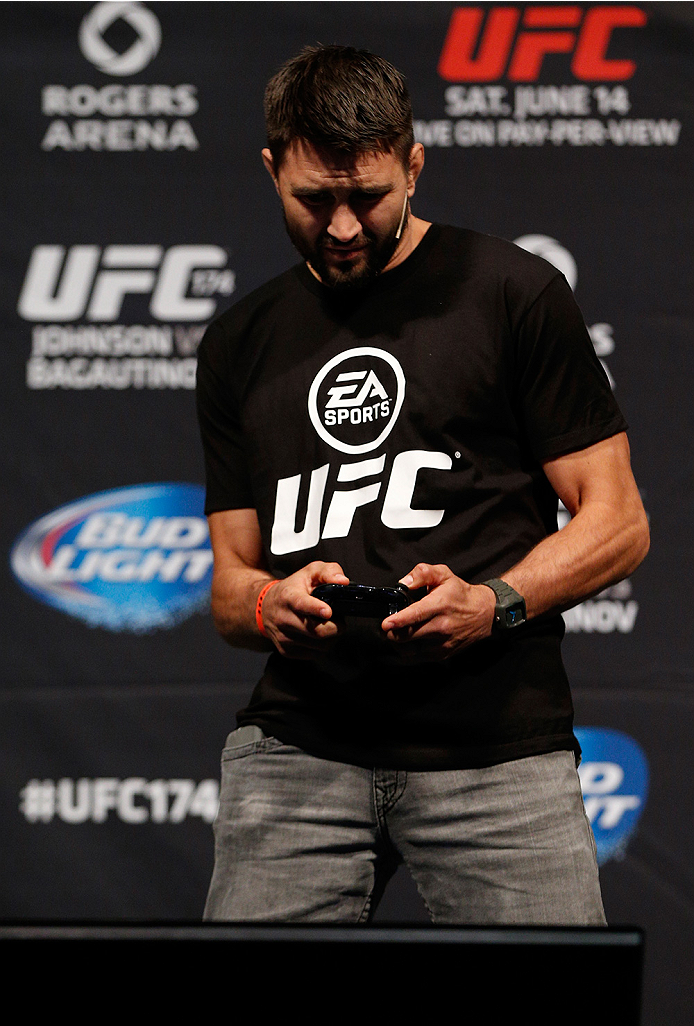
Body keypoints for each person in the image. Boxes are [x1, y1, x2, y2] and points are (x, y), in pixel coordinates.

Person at [196, 45, 649, 924]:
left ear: (414, 164)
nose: (340, 227)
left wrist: (495, 601)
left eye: (366, 197)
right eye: (312, 199)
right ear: (269, 170)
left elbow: (620, 521)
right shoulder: (238, 341)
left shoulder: (512, 294)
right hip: (300, 745)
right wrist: (267, 604)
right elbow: (228, 585)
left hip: (497, 749)